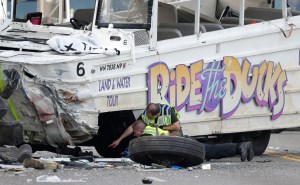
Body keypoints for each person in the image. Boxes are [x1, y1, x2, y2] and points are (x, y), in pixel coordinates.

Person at [131, 120, 254, 162]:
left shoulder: (146, 134)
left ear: (139, 130)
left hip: (181, 144)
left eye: (135, 132)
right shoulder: (152, 128)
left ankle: (240, 147)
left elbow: (145, 148)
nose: (135, 136)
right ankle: (243, 147)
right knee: (210, 150)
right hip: (182, 141)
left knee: (210, 151)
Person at [109, 103, 181, 148]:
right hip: (156, 133)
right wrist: (119, 139)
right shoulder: (145, 114)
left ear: (157, 115)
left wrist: (161, 127)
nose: (147, 117)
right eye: (147, 114)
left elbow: (177, 126)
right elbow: (133, 126)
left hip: (171, 131)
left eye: (149, 117)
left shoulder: (168, 110)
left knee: (163, 137)